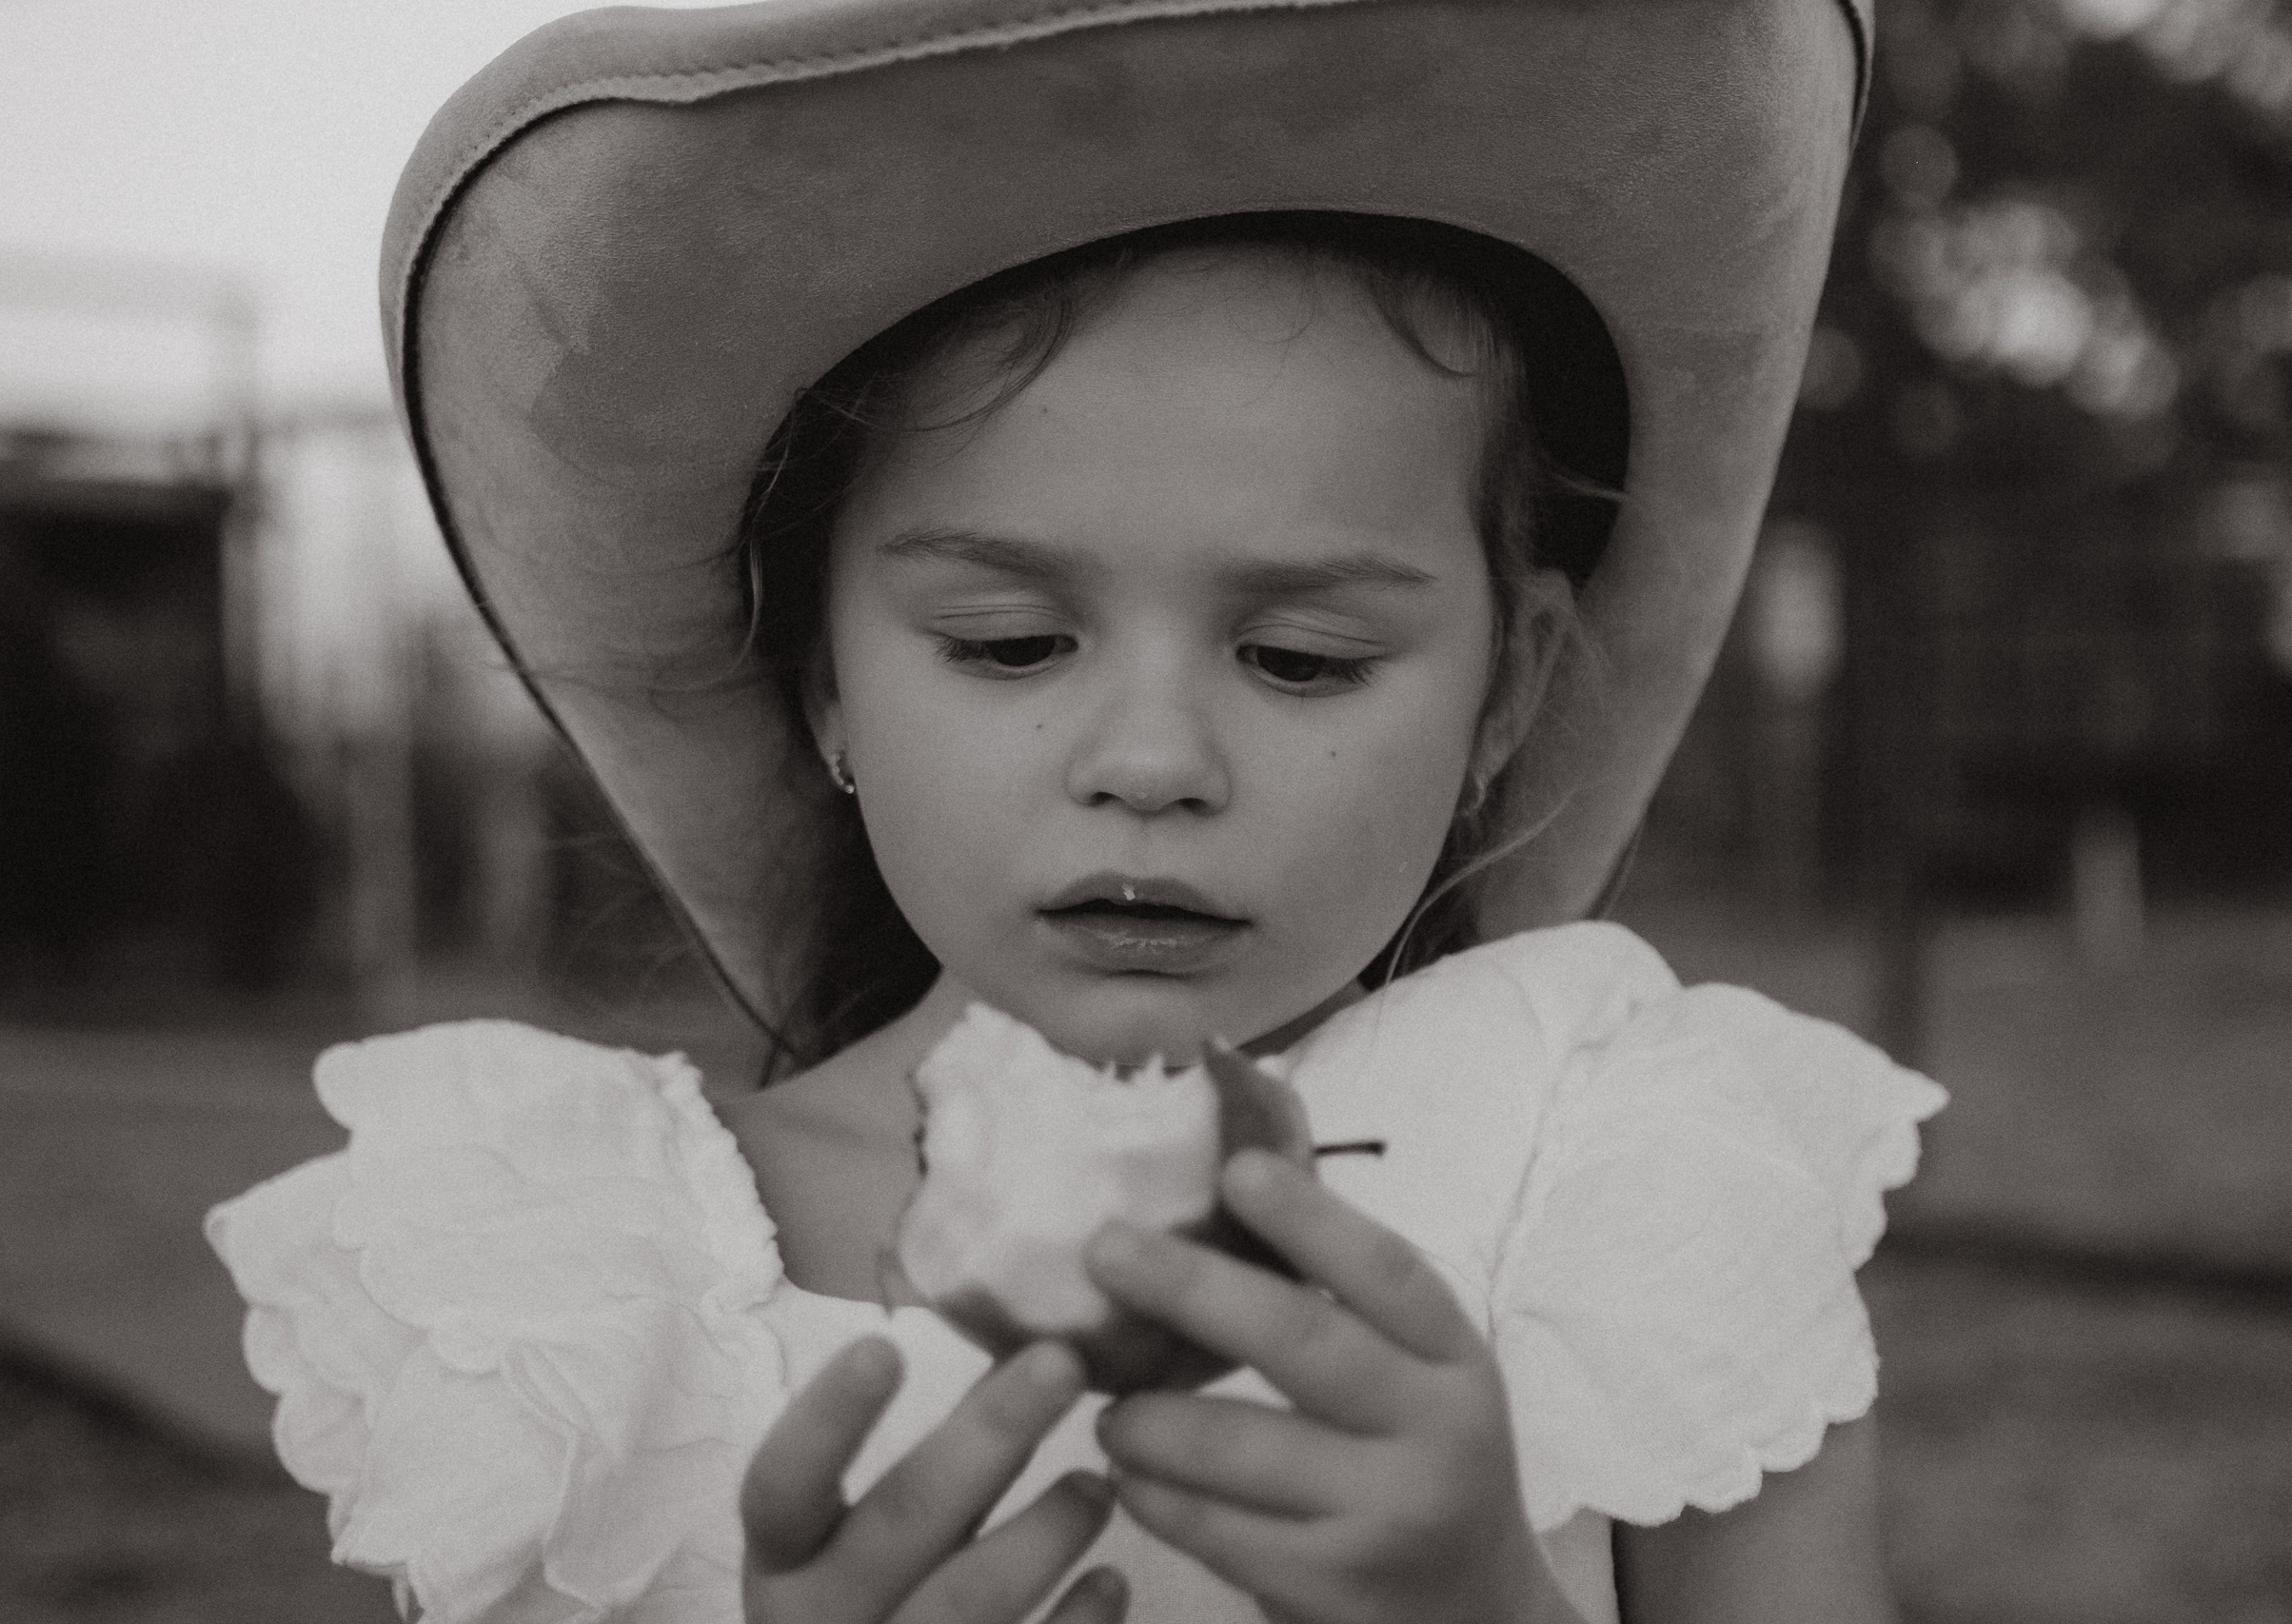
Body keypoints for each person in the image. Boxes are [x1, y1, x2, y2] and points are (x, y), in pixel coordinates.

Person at [208, 2, 1947, 1620]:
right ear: (824, 681)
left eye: (1303, 656)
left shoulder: (1630, 1164)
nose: (1153, 760)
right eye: (1010, 641)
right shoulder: (576, 1285)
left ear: (1507, 691)